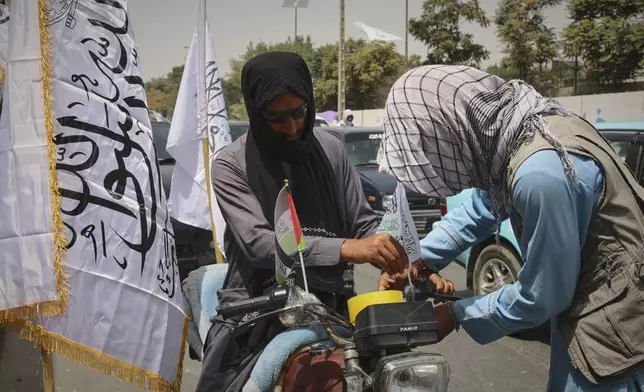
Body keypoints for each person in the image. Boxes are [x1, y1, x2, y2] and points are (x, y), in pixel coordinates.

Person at [196, 52, 454, 392]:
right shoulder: (230, 165)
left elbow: (363, 226)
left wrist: (411, 265)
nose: (291, 128)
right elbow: (261, 246)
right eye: (276, 117)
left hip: (331, 308)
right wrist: (348, 249)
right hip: (255, 312)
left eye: (299, 112)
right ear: (256, 112)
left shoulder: (332, 151)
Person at [377, 65, 644, 392]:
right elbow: (481, 208)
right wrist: (417, 260)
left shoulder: (539, 173)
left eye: (429, 145)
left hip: (617, 345)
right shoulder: (519, 134)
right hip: (597, 324)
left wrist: (455, 314)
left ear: (450, 129)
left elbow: (543, 297)